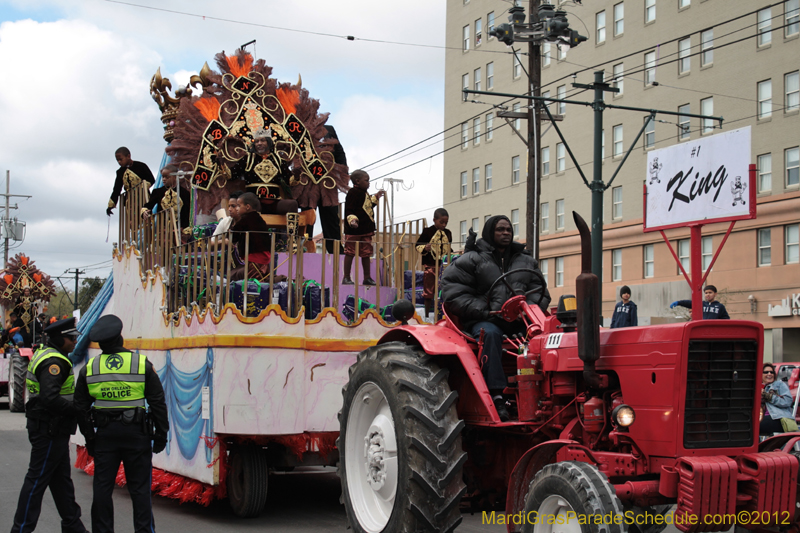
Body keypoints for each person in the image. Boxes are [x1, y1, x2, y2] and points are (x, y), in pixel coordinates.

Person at [441, 215, 551, 421]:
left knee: (545, 339)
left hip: (520, 320)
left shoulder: (526, 260)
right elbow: (453, 293)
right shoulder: (472, 259)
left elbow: (541, 292)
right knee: (491, 335)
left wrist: (527, 309)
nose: (506, 233)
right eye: (500, 229)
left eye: (508, 229)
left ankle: (544, 393)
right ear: (490, 232)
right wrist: (486, 311)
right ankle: (497, 395)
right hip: (486, 320)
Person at [73, 314, 169, 533]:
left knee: (102, 489)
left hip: (106, 436)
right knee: (140, 491)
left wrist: (90, 439)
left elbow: (80, 407)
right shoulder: (141, 363)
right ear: (120, 338)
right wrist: (161, 435)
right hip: (137, 435)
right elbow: (157, 402)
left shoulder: (90, 368)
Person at [11, 317, 88, 533]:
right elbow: (49, 398)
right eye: (71, 338)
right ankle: (20, 529)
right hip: (49, 429)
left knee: (61, 481)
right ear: (60, 339)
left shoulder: (46, 353)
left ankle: (73, 526)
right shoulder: (55, 362)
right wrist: (78, 409)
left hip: (51, 428)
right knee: (36, 482)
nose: (74, 341)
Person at [343, 169, 385, 285]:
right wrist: (353, 220)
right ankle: (346, 277)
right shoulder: (352, 193)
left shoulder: (364, 194)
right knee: (350, 252)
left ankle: (367, 277)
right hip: (354, 230)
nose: (368, 183)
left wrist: (376, 197)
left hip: (366, 230)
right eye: (366, 180)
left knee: (366, 253)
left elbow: (368, 206)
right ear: (357, 181)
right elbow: (349, 209)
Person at [415, 208, 452, 318]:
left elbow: (448, 248)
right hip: (430, 266)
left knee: (445, 291)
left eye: (446, 223)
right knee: (429, 292)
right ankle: (426, 315)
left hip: (444, 267)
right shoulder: (427, 231)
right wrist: (425, 248)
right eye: (441, 222)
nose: (444, 225)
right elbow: (417, 245)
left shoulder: (448, 233)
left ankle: (444, 314)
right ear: (434, 220)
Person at [230, 192, 272, 281]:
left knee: (254, 282)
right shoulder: (259, 219)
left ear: (247, 207)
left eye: (238, 205)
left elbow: (234, 235)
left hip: (255, 257)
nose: (236, 209)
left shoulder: (245, 219)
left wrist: (229, 235)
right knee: (263, 280)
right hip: (264, 256)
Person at [140, 163, 192, 229]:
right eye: (163, 177)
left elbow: (187, 213)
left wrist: (184, 228)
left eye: (167, 177)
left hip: (180, 229)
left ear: (175, 177)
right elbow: (149, 205)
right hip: (162, 230)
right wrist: (145, 211)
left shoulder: (184, 193)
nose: (164, 179)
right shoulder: (158, 192)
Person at [107, 147, 155, 216]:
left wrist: (140, 188)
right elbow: (117, 189)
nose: (119, 162)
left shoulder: (141, 166)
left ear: (128, 156)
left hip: (144, 198)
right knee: (132, 222)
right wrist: (110, 206)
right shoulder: (120, 172)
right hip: (130, 202)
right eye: (117, 160)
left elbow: (151, 179)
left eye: (121, 159)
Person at [760, 363, 793, 436]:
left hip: (778, 418)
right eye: (766, 372)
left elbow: (787, 401)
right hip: (761, 417)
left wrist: (769, 396)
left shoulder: (779, 385)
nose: (769, 374)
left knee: (755, 426)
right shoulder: (757, 387)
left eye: (772, 372)